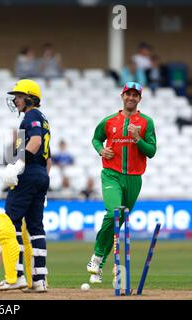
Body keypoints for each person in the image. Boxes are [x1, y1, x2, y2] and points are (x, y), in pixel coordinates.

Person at [86, 81, 156, 284]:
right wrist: (100, 150)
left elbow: (151, 151)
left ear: (139, 99)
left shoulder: (146, 122)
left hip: (134, 178)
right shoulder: (109, 121)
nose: (131, 97)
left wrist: (137, 138)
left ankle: (99, 262)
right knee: (114, 212)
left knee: (119, 220)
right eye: (128, 94)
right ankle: (97, 256)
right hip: (111, 174)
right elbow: (96, 139)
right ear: (122, 96)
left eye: (135, 95)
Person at [0, 79, 52, 293]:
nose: (15, 99)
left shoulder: (32, 116)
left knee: (10, 221)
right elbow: (48, 158)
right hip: (41, 175)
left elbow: (35, 143)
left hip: (28, 175)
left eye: (18, 96)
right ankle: (39, 280)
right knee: (35, 227)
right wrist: (42, 183)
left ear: (29, 97)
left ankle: (15, 276)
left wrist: (18, 165)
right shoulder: (43, 119)